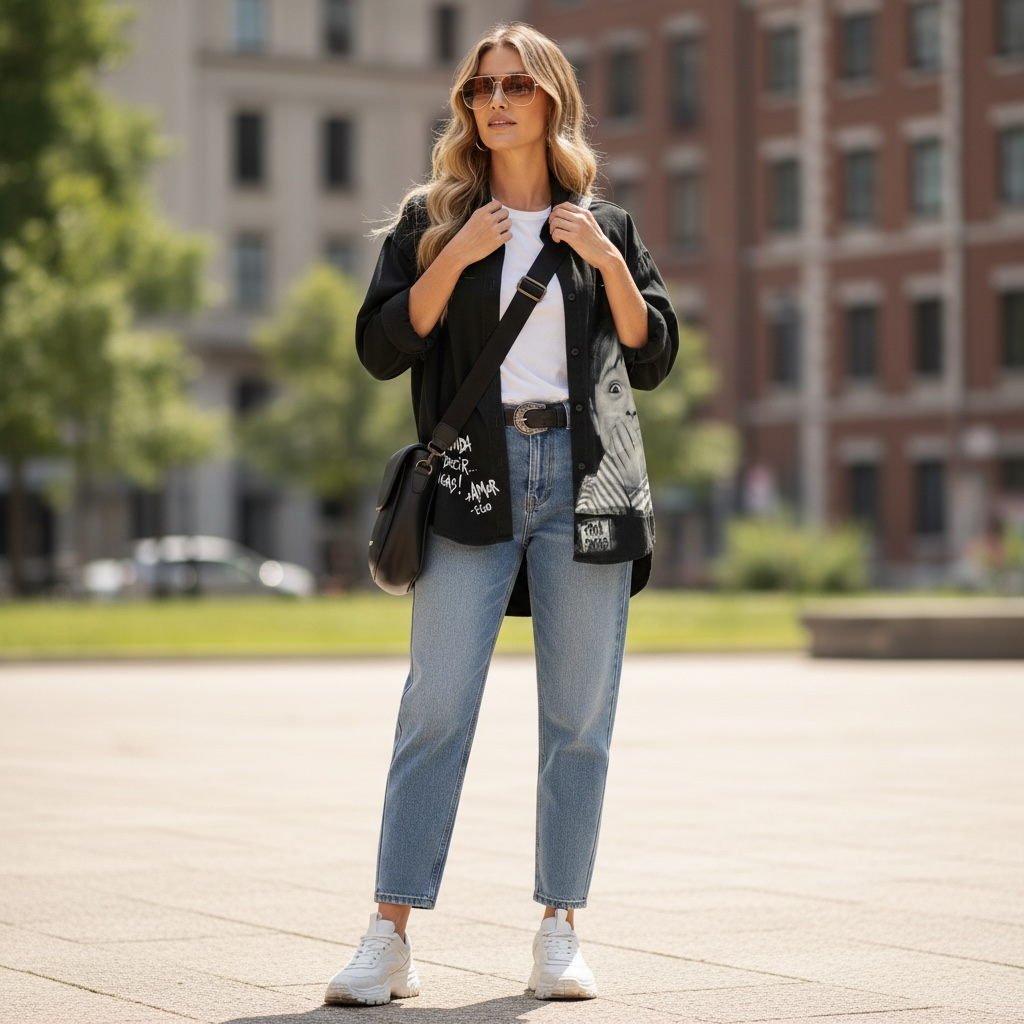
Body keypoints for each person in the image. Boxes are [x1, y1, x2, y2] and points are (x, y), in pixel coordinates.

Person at [324, 21, 678, 1007]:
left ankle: (560, 928)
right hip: (473, 477)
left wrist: (605, 260)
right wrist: (453, 256)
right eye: (482, 88)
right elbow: (382, 346)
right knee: (435, 705)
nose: (497, 101)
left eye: (517, 85)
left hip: (587, 481)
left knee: (579, 717)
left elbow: (653, 352)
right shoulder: (432, 217)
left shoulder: (604, 223)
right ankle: (389, 936)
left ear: (552, 99)